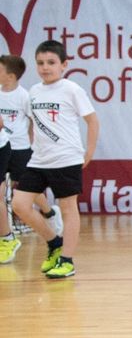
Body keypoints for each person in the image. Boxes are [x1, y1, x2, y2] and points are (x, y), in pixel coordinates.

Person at [11, 40, 100, 280]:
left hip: (66, 159)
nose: (45, 67)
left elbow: (92, 120)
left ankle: (67, 260)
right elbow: (33, 123)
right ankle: (54, 242)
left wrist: (89, 152)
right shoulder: (33, 91)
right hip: (39, 160)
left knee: (69, 209)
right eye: (40, 63)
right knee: (20, 204)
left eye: (51, 62)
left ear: (64, 64)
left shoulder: (71, 89)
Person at [0, 54, 37, 264]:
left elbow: (33, 120)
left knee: (22, 186)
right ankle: (7, 233)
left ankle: (49, 213)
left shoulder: (24, 96)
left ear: (11, 76)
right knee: (5, 191)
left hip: (20, 147)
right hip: (5, 146)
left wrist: (31, 142)